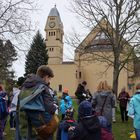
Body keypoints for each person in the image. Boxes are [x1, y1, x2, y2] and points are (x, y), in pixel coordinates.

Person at [19, 65, 59, 140]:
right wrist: (55, 107)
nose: (49, 81)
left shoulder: (25, 86)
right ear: (46, 77)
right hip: (42, 126)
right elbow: (50, 108)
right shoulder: (43, 87)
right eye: (49, 78)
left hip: (26, 123)